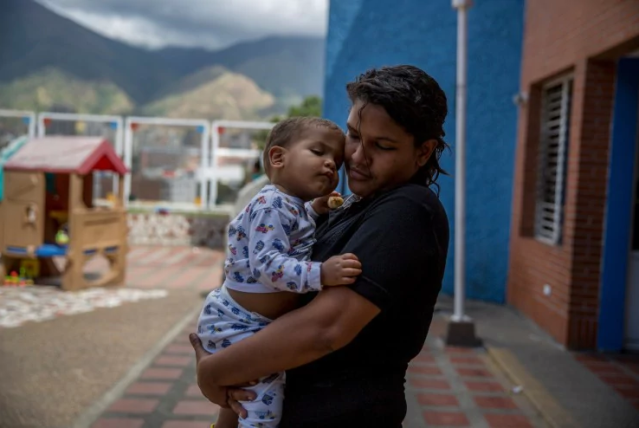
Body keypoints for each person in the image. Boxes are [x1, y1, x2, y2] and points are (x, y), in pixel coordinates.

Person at [190, 64, 450, 427]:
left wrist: (212, 372)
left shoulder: (408, 210)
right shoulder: (346, 205)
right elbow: (269, 321)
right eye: (354, 135)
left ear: (423, 152)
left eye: (383, 146)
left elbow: (324, 330)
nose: (357, 156)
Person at [197, 116, 363, 428]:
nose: (331, 165)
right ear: (278, 157)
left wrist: (314, 210)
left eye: (337, 161)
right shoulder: (271, 204)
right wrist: (321, 273)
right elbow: (269, 267)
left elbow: (291, 236)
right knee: (261, 412)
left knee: (239, 404)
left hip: (251, 324)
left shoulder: (289, 205)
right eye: (318, 152)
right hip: (239, 324)